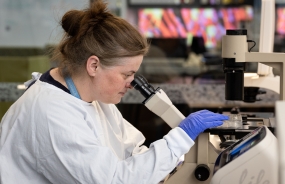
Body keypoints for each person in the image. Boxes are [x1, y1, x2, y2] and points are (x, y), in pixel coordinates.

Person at [0, 1, 228, 183]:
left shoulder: (94, 99)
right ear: (94, 66)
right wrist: (180, 138)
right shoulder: (50, 113)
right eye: (126, 74)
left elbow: (133, 151)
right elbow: (114, 180)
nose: (131, 83)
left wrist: (175, 157)